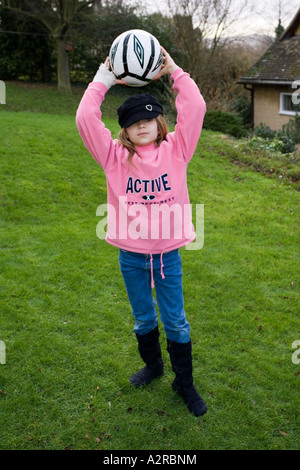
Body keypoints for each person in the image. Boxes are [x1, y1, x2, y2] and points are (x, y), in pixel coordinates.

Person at [76, 47, 207, 417]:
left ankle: (185, 382)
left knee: (176, 319)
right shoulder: (113, 155)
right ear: (125, 130)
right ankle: (153, 367)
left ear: (159, 121)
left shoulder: (178, 149)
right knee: (144, 319)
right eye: (134, 122)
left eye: (149, 118)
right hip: (131, 256)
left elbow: (195, 107)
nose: (143, 125)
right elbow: (86, 116)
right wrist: (104, 77)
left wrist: (175, 71)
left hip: (168, 257)